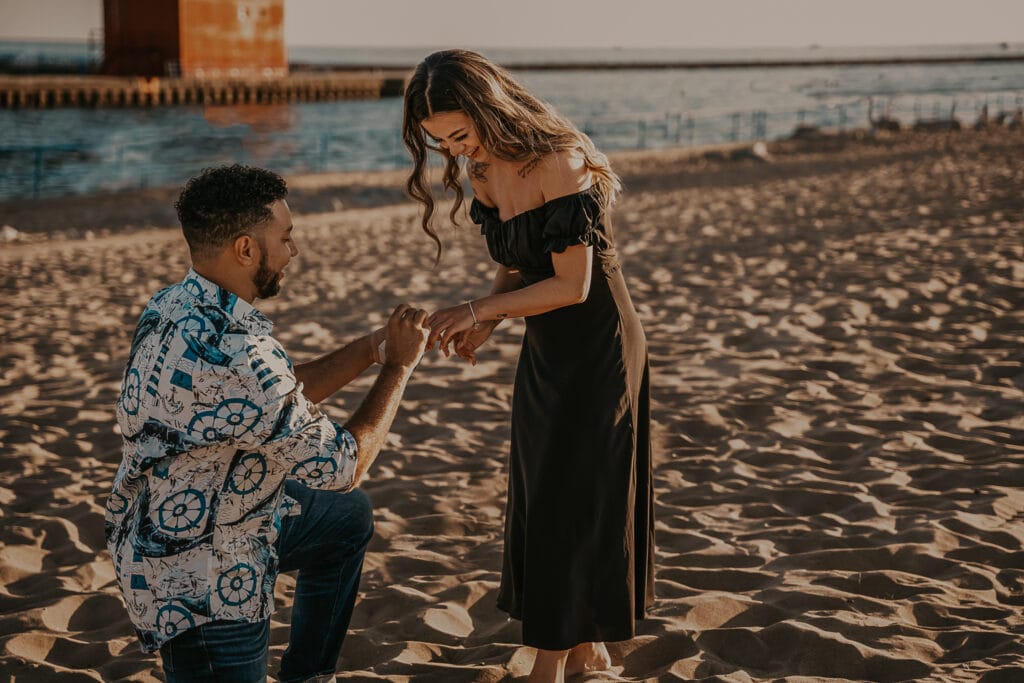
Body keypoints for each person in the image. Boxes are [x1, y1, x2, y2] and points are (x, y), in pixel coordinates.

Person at [104, 164, 430, 683]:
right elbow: (343, 465)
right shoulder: (239, 353)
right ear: (245, 249)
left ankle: (308, 673)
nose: (293, 251)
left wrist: (372, 350)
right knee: (347, 490)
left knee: (346, 519)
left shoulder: (172, 305)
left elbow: (268, 401)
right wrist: (399, 368)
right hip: (200, 578)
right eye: (285, 237)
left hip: (174, 523)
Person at [402, 49, 655, 683]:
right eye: (441, 143)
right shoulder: (485, 173)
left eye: (460, 134)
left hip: (599, 345)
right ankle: (589, 651)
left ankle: (551, 660)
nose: (456, 153)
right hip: (545, 348)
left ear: (490, 105)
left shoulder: (560, 159)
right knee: (543, 492)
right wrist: (484, 323)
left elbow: (572, 285)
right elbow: (518, 263)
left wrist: (478, 307)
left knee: (578, 493)